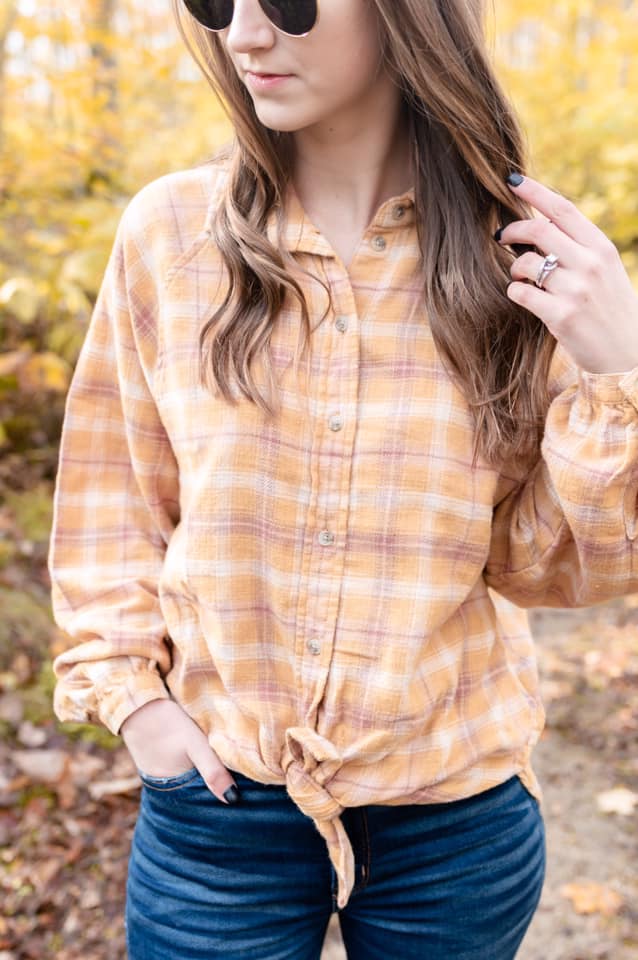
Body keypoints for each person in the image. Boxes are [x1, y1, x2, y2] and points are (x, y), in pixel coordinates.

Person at [47, 0, 638, 957]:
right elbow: (110, 500)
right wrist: (140, 709)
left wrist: (621, 376)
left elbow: (551, 570)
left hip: (455, 822)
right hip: (222, 808)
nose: (241, 35)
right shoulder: (168, 236)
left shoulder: (523, 260)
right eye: (215, 2)